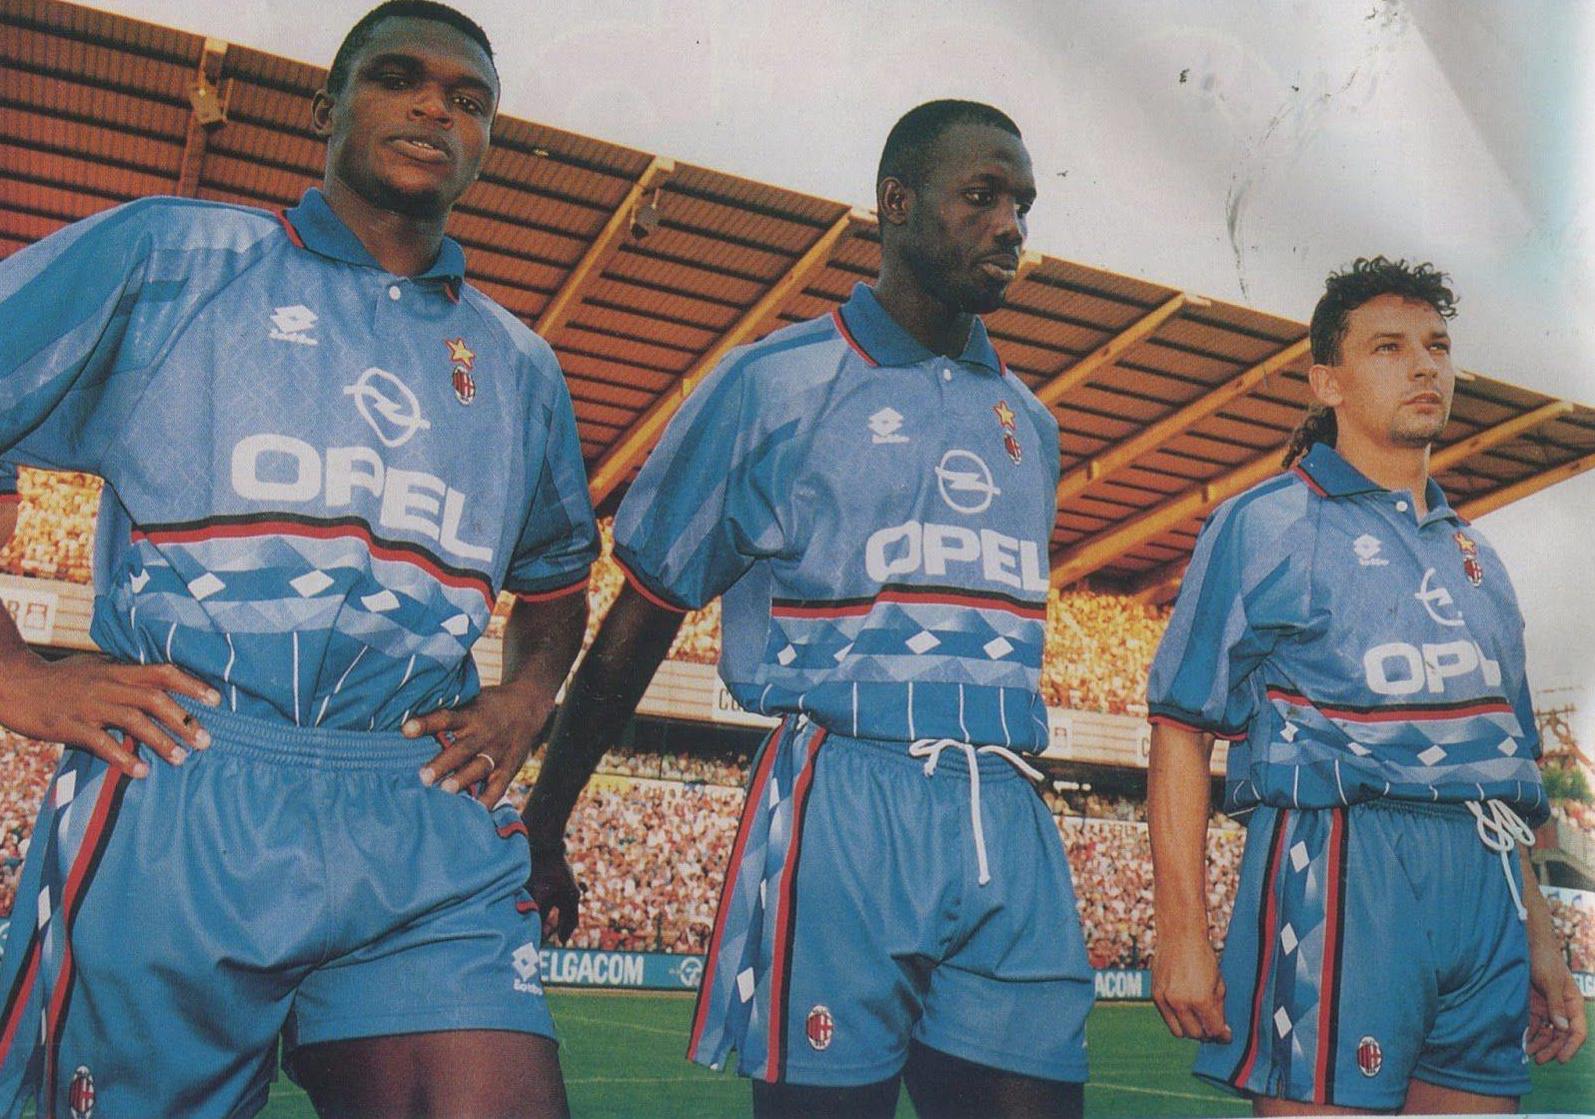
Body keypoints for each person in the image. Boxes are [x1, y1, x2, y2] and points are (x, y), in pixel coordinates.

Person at [0, 3, 597, 1115]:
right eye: (399, 79)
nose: (435, 107)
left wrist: (525, 696)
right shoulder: (171, 256)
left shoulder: (518, 365)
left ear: (486, 143)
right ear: (326, 106)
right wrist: (17, 673)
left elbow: (558, 576)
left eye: (469, 100)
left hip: (418, 806)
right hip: (187, 782)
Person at [522, 99, 1093, 1119]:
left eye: (1022, 204)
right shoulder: (770, 384)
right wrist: (547, 819)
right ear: (895, 203)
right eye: (980, 197)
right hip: (841, 798)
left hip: (1006, 807)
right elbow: (640, 621)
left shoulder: (1030, 424)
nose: (1010, 226)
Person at [1145, 257, 1587, 1115]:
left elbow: (1501, 775)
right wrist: (1182, 930)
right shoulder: (1264, 521)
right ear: (1326, 381)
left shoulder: (1476, 556)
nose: (1424, 366)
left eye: (1436, 346)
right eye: (1388, 347)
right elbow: (1179, 724)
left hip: (1485, 887)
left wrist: (1539, 933)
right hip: (1347, 869)